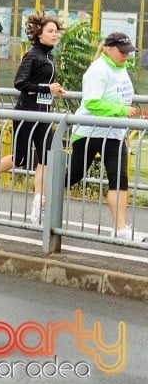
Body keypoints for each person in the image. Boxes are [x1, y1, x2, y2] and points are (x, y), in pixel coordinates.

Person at [0, 13, 66, 225]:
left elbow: (42, 84)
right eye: (50, 32)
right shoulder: (32, 55)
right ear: (39, 34)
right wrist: (46, 87)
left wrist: (55, 90)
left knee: (46, 158)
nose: (55, 35)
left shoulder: (49, 57)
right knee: (21, 158)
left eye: (56, 32)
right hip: (26, 113)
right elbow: (20, 83)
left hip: (44, 114)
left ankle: (37, 208)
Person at [65, 32, 146, 240]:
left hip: (114, 133)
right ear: (109, 49)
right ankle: (44, 199)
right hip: (90, 131)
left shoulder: (121, 68)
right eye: (122, 52)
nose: (126, 56)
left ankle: (121, 229)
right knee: (74, 175)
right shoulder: (98, 70)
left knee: (119, 179)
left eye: (129, 52)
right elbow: (92, 102)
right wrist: (121, 110)